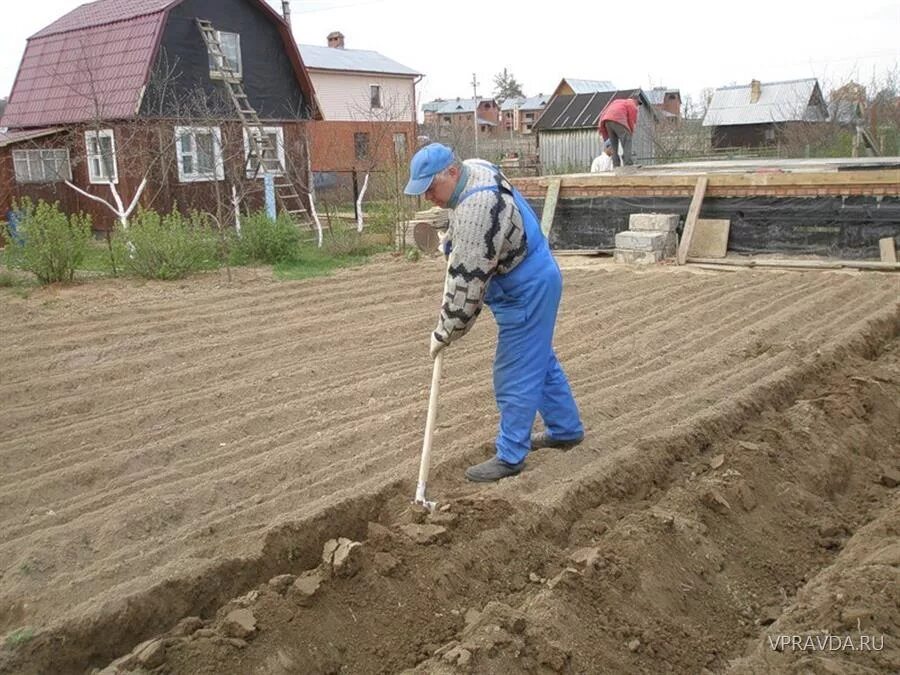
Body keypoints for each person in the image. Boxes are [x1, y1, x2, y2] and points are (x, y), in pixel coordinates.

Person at [404, 143, 584, 482]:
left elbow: (466, 292)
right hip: (533, 276)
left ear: (452, 173)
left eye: (430, 187)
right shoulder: (474, 169)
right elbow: (465, 231)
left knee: (514, 372)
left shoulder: (478, 207)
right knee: (538, 360)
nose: (427, 197)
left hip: (525, 289)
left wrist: (444, 333)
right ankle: (565, 429)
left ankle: (511, 454)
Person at [598, 93, 642, 167]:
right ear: (635, 100)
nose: (637, 106)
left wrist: (602, 126)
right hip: (618, 119)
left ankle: (616, 164)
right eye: (638, 104)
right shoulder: (631, 104)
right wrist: (630, 132)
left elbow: (604, 112)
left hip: (607, 121)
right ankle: (628, 163)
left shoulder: (617, 101)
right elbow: (632, 120)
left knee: (613, 143)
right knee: (627, 139)